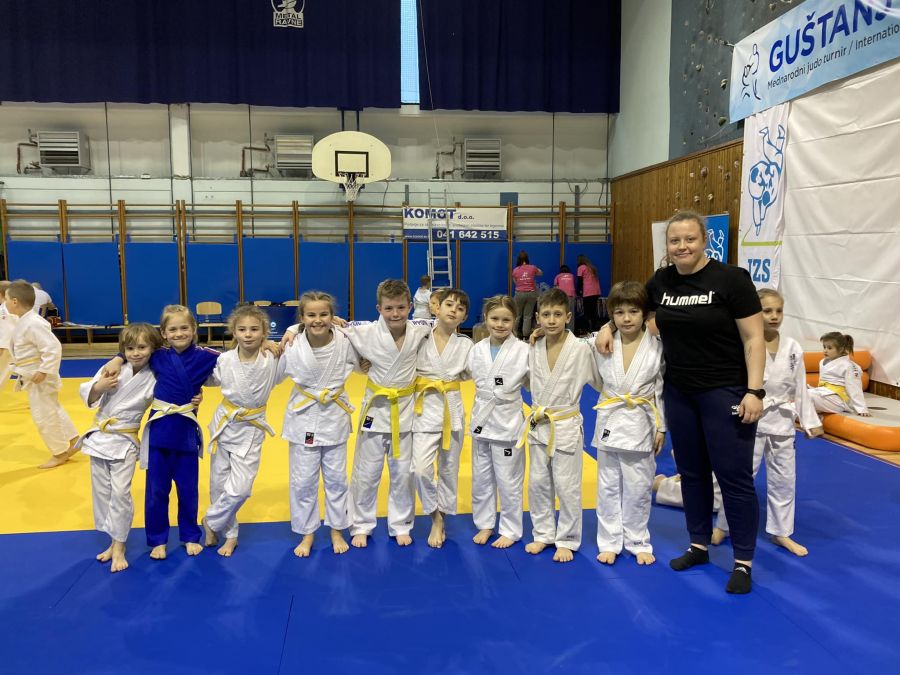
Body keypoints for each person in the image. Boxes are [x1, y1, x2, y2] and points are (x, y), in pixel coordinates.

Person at [596, 210, 765, 594]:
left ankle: (743, 561)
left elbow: (754, 338)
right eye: (675, 241)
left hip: (725, 390)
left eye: (690, 239)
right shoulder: (663, 281)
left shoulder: (731, 279)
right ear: (667, 245)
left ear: (704, 240)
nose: (682, 246)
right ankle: (698, 544)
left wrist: (754, 391)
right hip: (679, 392)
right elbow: (629, 307)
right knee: (691, 471)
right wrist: (607, 326)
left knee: (733, 475)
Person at [712, 289, 823, 557]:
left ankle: (781, 531)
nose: (774, 316)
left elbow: (800, 386)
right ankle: (723, 525)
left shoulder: (793, 348)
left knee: (784, 479)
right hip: (750, 418)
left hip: (782, 421)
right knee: (741, 477)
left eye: (778, 311)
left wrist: (809, 420)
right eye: (767, 311)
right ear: (755, 313)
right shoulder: (744, 342)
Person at [330, 279, 431, 548]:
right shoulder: (364, 331)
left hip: (405, 413)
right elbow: (324, 323)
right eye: (388, 308)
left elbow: (447, 322)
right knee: (366, 474)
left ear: (411, 306)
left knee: (403, 475)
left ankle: (401, 524)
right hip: (374, 412)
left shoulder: (420, 329)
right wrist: (291, 330)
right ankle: (361, 524)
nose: (395, 314)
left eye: (401, 307)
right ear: (378, 308)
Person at [521, 288, 601, 563]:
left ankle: (567, 538)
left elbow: (599, 381)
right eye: (546, 315)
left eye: (557, 314)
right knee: (538, 483)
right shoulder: (533, 347)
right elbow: (526, 381)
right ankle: (543, 533)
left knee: (567, 486)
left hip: (565, 423)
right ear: (537, 318)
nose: (552, 320)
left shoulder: (581, 349)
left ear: (568, 317)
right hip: (539, 423)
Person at [280, 291, 360, 557]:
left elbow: (373, 340)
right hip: (303, 418)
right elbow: (272, 372)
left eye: (324, 314)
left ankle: (337, 529)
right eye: (311, 315)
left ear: (333, 316)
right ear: (302, 318)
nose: (318, 320)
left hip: (334, 418)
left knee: (337, 480)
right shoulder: (292, 344)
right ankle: (307, 533)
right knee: (303, 481)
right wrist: (281, 338)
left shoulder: (346, 340)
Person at [592, 281, 666, 566]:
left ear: (644, 313)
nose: (626, 318)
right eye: (619, 312)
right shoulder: (602, 343)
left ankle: (637, 540)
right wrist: (539, 334)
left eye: (633, 311)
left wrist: (662, 427)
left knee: (639, 485)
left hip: (642, 421)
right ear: (611, 315)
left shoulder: (657, 346)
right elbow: (590, 373)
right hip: (611, 416)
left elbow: (661, 389)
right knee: (608, 485)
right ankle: (609, 541)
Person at [78, 323, 162, 572]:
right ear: (123, 349)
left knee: (121, 493)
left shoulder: (155, 375)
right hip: (100, 438)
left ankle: (120, 546)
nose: (136, 353)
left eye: (142, 347)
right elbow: (89, 395)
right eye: (130, 348)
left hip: (125, 440)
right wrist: (98, 388)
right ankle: (112, 541)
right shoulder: (113, 368)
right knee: (102, 493)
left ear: (153, 348)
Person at [201, 305, 280, 557]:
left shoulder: (273, 358)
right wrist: (192, 393)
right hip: (225, 424)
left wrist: (277, 342)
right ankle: (230, 535)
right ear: (233, 332)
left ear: (264, 332)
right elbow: (205, 378)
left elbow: (302, 337)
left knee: (241, 488)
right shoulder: (224, 360)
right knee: (218, 484)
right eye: (242, 329)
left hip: (251, 428)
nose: (248, 334)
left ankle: (211, 520)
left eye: (254, 329)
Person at [412, 287, 472, 548]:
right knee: (420, 469)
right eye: (449, 305)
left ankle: (440, 520)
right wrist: (294, 328)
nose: (453, 311)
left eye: (460, 309)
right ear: (436, 308)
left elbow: (473, 371)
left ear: (464, 317)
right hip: (423, 410)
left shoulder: (466, 344)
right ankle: (433, 513)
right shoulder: (419, 336)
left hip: (452, 409)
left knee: (449, 469)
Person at [469, 295, 530, 549]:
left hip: (507, 422)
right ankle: (484, 523)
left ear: (515, 320)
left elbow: (532, 383)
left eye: (506, 319)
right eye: (495, 318)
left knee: (509, 480)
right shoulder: (476, 349)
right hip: (482, 420)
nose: (500, 324)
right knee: (481, 478)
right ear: (486, 318)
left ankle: (510, 529)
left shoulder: (524, 350)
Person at [6, 280, 79, 468]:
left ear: (14, 301)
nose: (4, 304)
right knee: (53, 408)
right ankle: (73, 440)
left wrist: (44, 370)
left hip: (40, 376)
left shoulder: (33, 323)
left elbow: (53, 348)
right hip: (34, 374)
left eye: (6, 300)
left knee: (43, 415)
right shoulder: (25, 321)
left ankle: (59, 452)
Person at [808, 332, 870, 416]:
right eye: (824, 347)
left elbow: (854, 388)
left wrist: (861, 408)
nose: (825, 350)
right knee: (799, 393)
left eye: (829, 348)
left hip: (838, 400)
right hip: (824, 394)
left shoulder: (849, 366)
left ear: (840, 349)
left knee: (807, 395)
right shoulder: (823, 362)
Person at [511, 251, 542, 339]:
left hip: (519, 294)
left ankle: (513, 334)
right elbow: (541, 273)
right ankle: (526, 336)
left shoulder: (515, 270)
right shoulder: (532, 267)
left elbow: (515, 281)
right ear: (527, 259)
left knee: (517, 315)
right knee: (527, 316)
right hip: (531, 293)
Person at [577, 254, 602, 332]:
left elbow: (579, 281)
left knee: (587, 312)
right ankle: (595, 328)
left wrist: (578, 292)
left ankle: (588, 329)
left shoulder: (581, 268)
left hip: (588, 292)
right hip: (596, 291)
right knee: (593, 311)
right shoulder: (592, 267)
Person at [0, 280, 15, 389]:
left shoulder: (4, 309)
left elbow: (6, 329)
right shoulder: (12, 306)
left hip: (7, 346)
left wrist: (2, 346)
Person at [554, 265, 577, 332]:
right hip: (571, 296)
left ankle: (561, 330)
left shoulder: (558, 276)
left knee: (560, 313)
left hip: (561, 296)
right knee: (571, 313)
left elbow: (555, 287)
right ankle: (570, 331)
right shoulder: (572, 276)